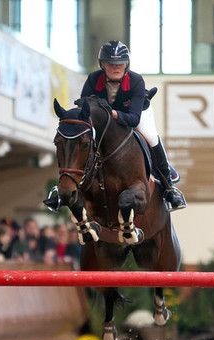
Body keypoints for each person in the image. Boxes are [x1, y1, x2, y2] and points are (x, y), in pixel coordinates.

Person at [44, 40, 186, 212]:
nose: (117, 67)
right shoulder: (93, 79)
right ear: (103, 64)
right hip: (104, 119)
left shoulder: (136, 81)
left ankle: (169, 188)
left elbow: (133, 119)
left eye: (121, 63)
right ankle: (63, 189)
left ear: (126, 64)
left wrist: (112, 114)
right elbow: (84, 108)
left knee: (151, 138)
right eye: (111, 63)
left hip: (137, 113)